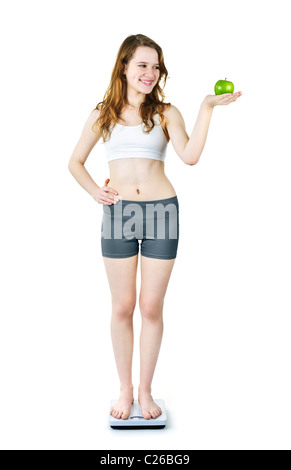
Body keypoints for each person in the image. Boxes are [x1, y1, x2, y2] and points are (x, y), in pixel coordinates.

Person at [68, 34, 242, 421]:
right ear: (125, 67)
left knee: (149, 306)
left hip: (162, 211)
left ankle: (146, 391)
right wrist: (96, 191)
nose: (150, 72)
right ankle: (125, 389)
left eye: (156, 65)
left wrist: (207, 106)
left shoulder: (165, 112)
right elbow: (75, 162)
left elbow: (191, 156)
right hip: (119, 213)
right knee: (122, 306)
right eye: (143, 65)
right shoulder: (103, 114)